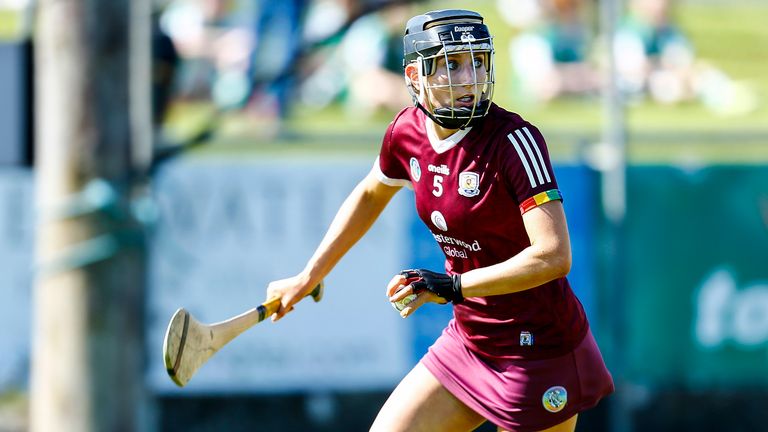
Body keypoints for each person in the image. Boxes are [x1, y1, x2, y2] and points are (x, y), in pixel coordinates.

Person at [266, 9, 614, 432]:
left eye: (478, 62)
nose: (469, 77)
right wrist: (310, 274)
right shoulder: (406, 132)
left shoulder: (514, 141)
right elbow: (371, 191)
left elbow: (554, 256)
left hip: (538, 349)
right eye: (451, 64)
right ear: (415, 75)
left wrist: (452, 287)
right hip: (471, 343)